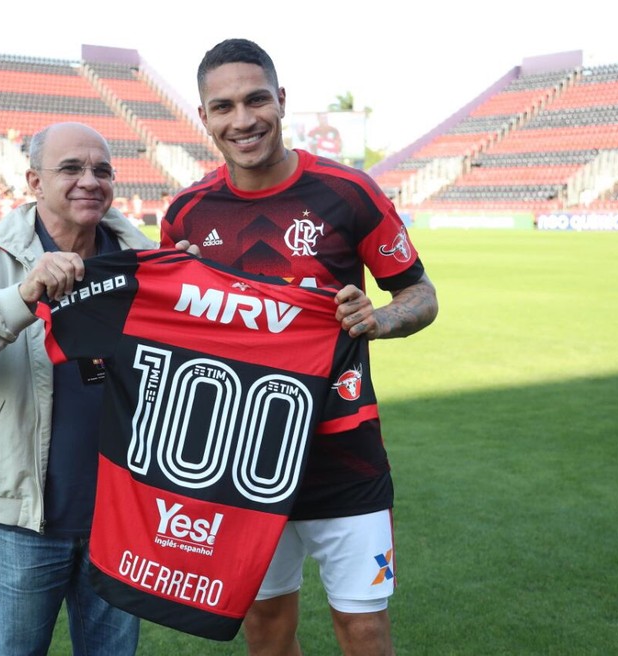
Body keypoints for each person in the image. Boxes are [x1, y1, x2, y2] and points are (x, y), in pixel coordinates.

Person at [160, 39, 439, 656]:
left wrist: (380, 319)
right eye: (224, 106)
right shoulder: (186, 214)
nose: (243, 120)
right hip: (243, 461)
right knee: (265, 625)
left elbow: (420, 293)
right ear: (204, 117)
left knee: (363, 628)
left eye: (257, 99)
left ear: (281, 101)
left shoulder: (348, 192)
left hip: (347, 453)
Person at [0, 122, 162, 655]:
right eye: (70, 168)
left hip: (120, 520)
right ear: (33, 181)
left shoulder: (144, 259)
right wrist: (21, 297)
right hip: (18, 522)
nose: (89, 181)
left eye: (102, 170)